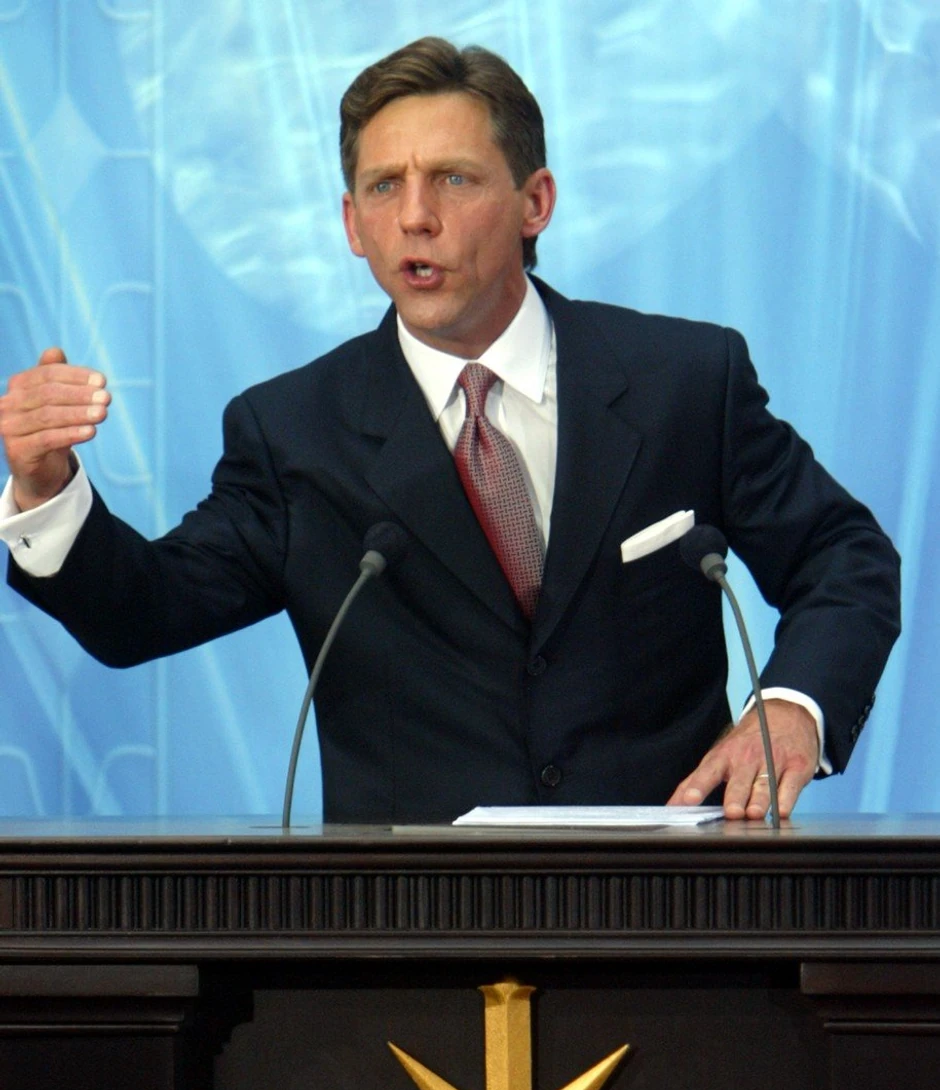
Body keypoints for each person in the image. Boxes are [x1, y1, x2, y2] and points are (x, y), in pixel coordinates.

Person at [0, 37, 900, 824]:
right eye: (383, 187)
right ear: (352, 224)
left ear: (535, 201)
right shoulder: (295, 432)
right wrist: (47, 491)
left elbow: (843, 555)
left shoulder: (684, 382)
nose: (415, 216)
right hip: (411, 927)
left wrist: (793, 704)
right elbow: (143, 610)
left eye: (453, 179)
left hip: (664, 914)